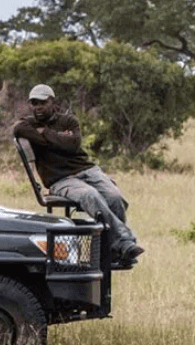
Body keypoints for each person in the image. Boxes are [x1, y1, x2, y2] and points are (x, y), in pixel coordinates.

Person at [13, 84, 144, 266]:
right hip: (60, 179)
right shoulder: (27, 124)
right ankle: (124, 241)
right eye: (34, 103)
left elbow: (72, 144)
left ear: (53, 102)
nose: (38, 107)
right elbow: (17, 129)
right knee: (90, 196)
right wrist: (59, 137)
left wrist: (44, 134)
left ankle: (113, 251)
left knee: (115, 197)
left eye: (42, 102)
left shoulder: (69, 121)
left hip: (87, 170)